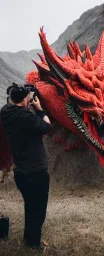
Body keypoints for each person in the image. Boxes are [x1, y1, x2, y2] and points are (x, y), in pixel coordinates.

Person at [0, 83, 51, 249]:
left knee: (30, 207)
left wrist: (26, 102)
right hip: (35, 172)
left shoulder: (6, 112)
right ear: (23, 99)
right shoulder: (25, 118)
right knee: (38, 210)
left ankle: (29, 240)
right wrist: (39, 108)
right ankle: (33, 244)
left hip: (21, 172)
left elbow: (18, 110)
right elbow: (47, 126)